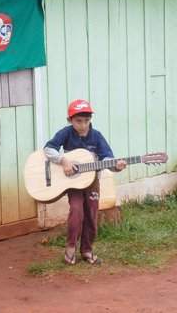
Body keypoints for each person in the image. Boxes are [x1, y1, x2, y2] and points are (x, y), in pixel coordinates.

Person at [44, 99, 126, 265]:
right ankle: (71, 247)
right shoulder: (66, 133)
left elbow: (108, 158)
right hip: (74, 184)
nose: (83, 125)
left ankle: (87, 250)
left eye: (86, 121)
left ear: (90, 120)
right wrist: (63, 161)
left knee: (91, 215)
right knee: (76, 211)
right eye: (78, 121)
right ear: (70, 120)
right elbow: (48, 149)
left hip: (92, 183)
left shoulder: (96, 136)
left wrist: (117, 167)